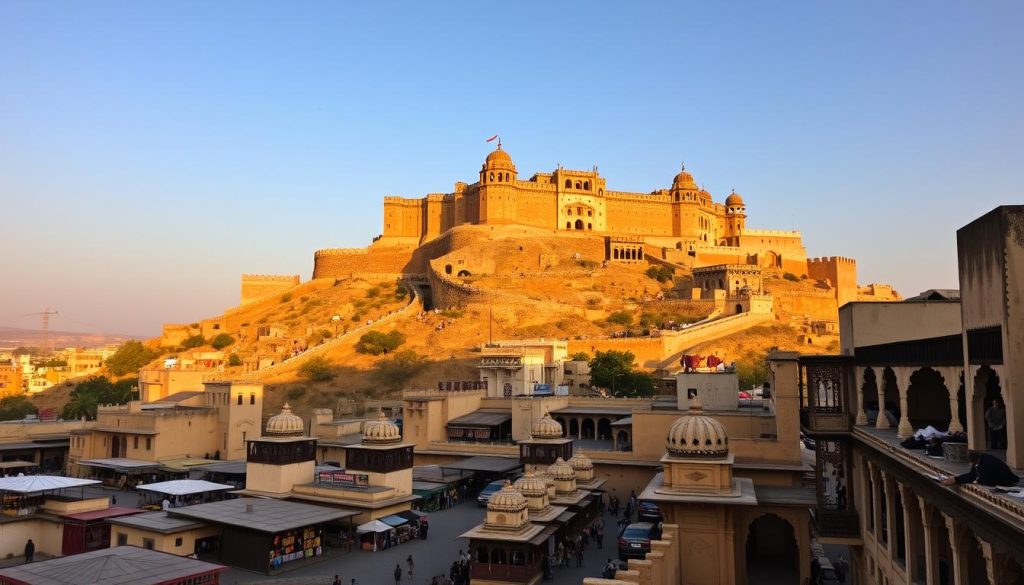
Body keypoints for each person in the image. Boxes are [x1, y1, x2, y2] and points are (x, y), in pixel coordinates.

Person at [942, 451, 1020, 487]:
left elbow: (986, 481)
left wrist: (977, 481)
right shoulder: (980, 461)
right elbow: (972, 475)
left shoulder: (986, 464)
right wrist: (955, 479)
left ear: (974, 461)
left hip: (1006, 481)